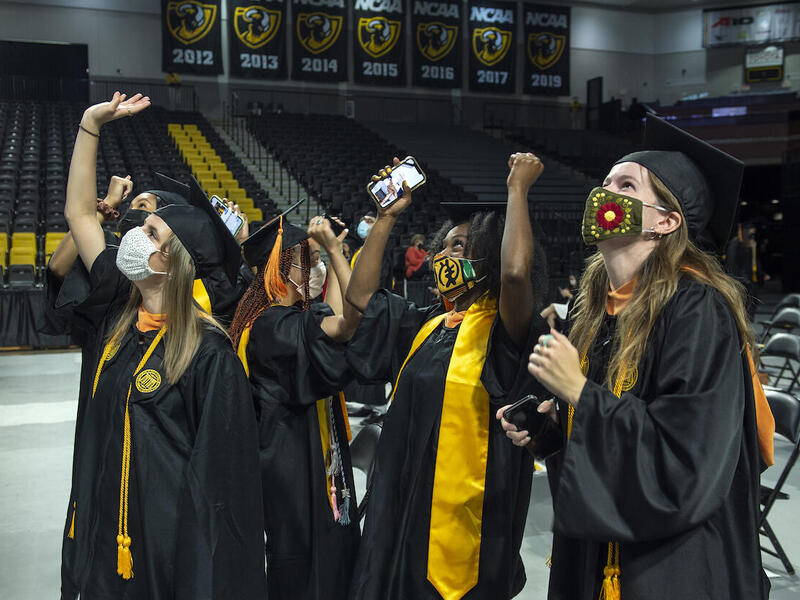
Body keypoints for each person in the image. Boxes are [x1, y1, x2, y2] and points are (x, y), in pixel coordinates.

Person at [501, 115, 775, 600]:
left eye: (625, 185)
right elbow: (605, 438)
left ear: (666, 222)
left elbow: (687, 458)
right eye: (604, 182)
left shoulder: (697, 309)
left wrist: (580, 393)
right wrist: (549, 434)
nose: (603, 194)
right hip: (594, 549)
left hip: (671, 563)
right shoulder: (596, 312)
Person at [58, 92, 265, 599]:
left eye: (149, 231)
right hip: (107, 535)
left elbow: (221, 490)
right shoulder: (119, 316)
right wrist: (90, 124)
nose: (134, 234)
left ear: (172, 261)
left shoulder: (208, 355)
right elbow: (80, 215)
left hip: (166, 554)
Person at [346, 154, 550, 600]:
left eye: (462, 246)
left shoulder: (506, 331)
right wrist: (384, 218)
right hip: (402, 505)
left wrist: (517, 191)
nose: (446, 254)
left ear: (491, 255)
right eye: (446, 245)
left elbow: (515, 275)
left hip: (467, 518)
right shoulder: (426, 324)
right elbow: (360, 296)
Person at [227, 203, 360, 600]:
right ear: (282, 270)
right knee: (301, 561)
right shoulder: (271, 325)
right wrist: (338, 258)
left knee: (324, 551)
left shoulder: (274, 318)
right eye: (311, 262)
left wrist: (340, 255)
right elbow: (341, 326)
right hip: (289, 465)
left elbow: (329, 322)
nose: (317, 271)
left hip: (302, 456)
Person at [725, 223, 769, 319]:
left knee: (751, 307)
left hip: (748, 283)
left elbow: (754, 263)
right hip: (740, 283)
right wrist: (742, 280)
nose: (752, 237)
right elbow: (733, 266)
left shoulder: (749, 246)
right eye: (750, 235)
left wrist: (761, 273)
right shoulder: (735, 245)